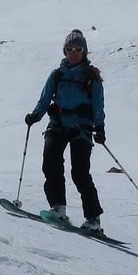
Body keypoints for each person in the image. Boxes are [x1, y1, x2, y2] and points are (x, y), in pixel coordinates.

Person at [24, 29, 106, 232]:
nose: (73, 53)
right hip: (58, 124)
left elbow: (98, 105)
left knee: (80, 172)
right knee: (50, 163)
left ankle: (93, 219)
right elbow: (45, 98)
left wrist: (100, 127)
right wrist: (35, 115)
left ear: (84, 51)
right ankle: (58, 207)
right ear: (65, 52)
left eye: (78, 49)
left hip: (81, 128)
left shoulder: (91, 77)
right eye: (69, 49)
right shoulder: (57, 75)